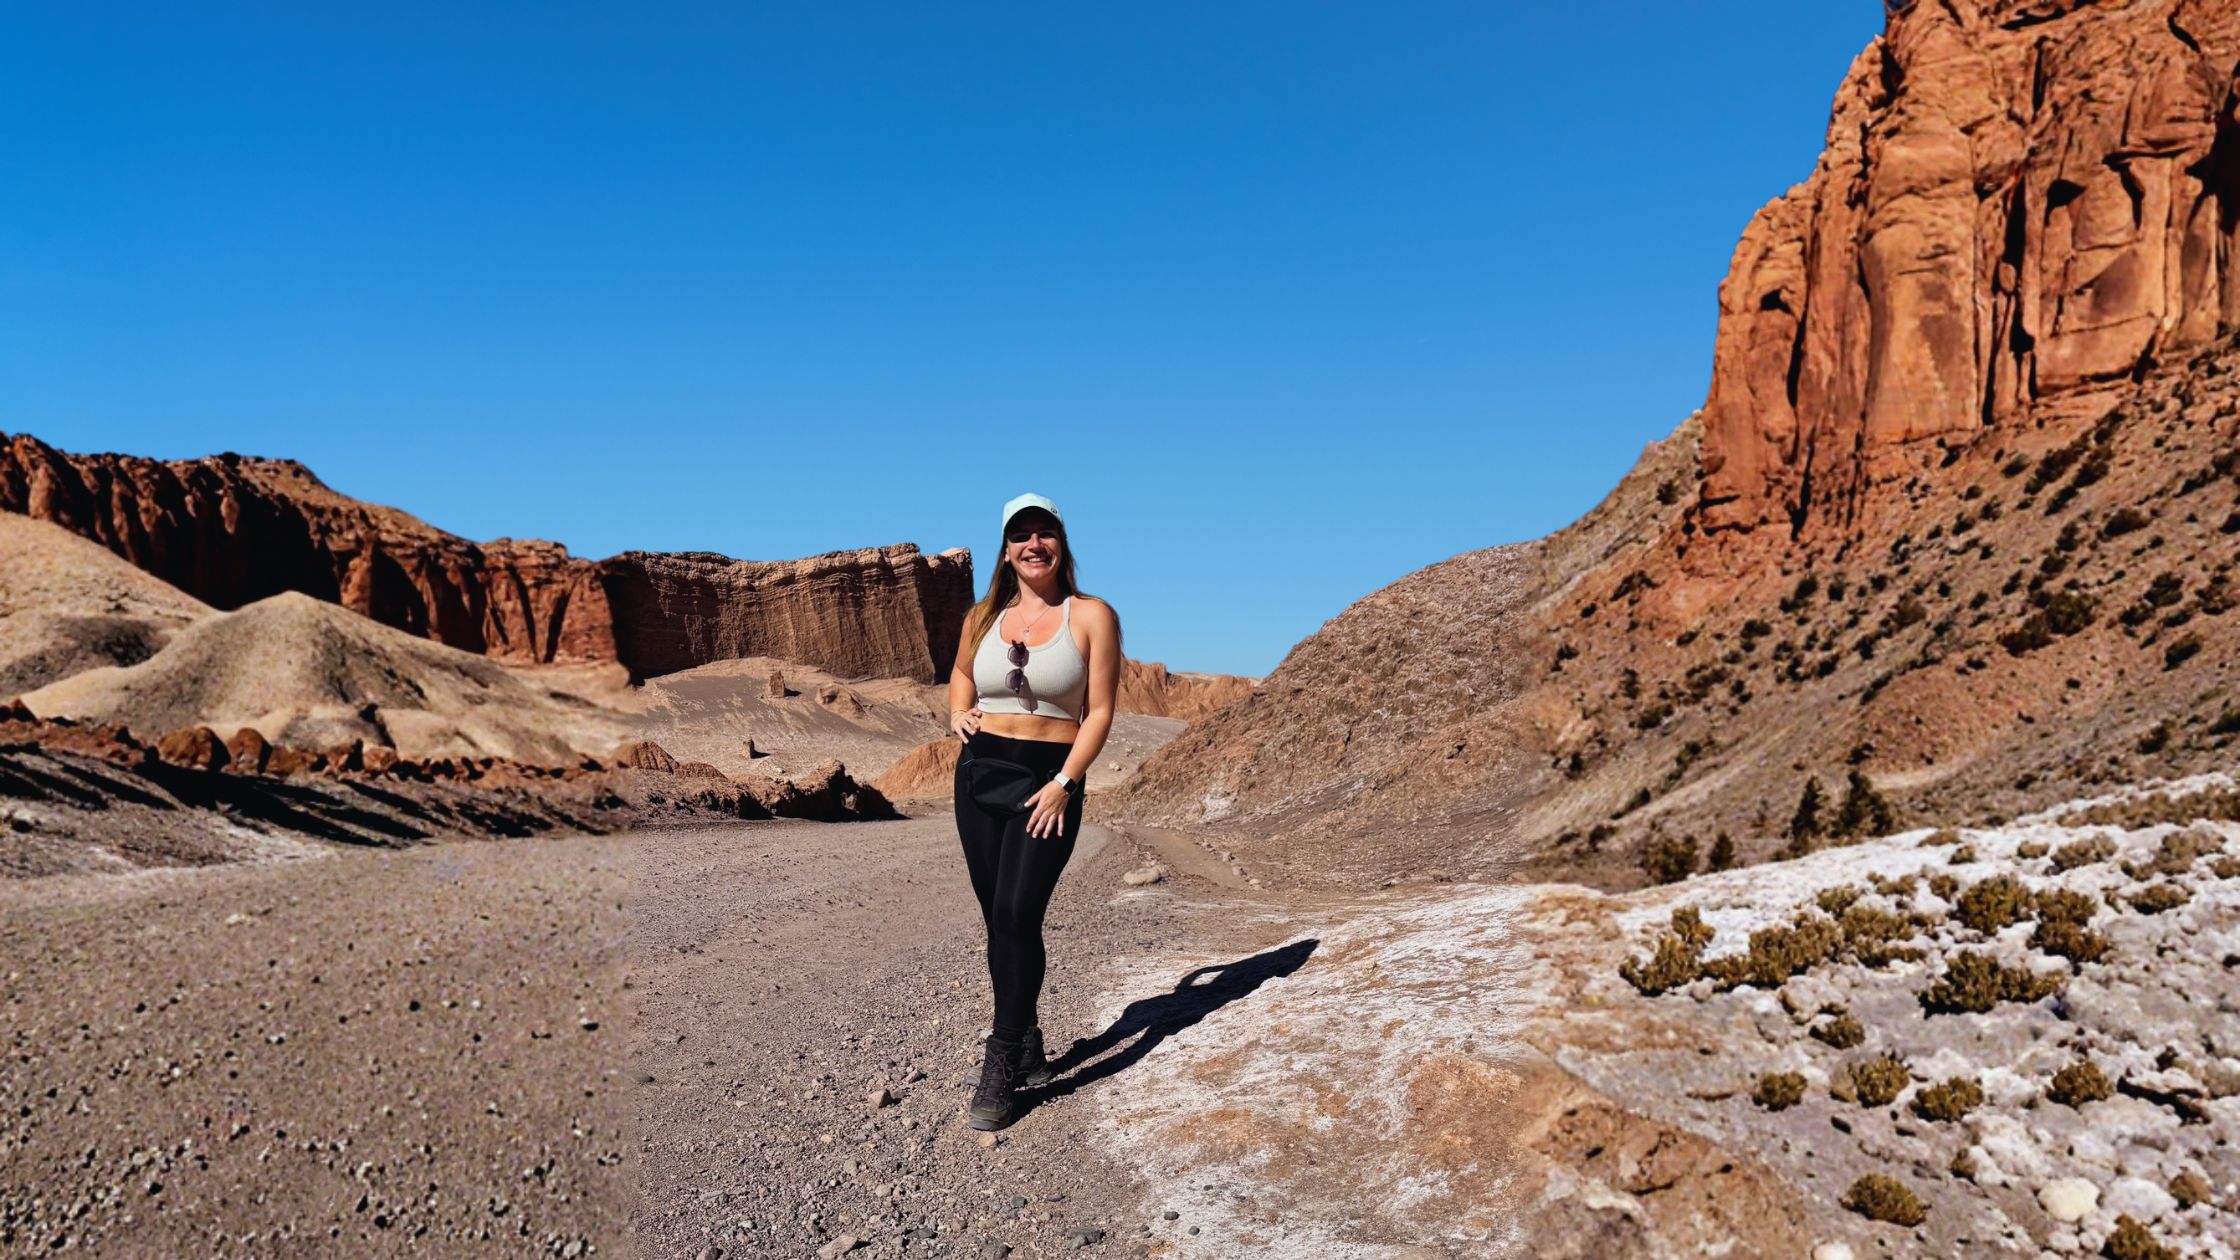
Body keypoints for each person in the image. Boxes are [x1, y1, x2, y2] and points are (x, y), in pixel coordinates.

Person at [949, 491, 1121, 1130]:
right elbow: (961, 678)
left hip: (1048, 779)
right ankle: (1028, 1040)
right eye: (1020, 535)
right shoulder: (983, 615)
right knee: (998, 918)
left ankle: (1002, 1057)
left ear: (1061, 542)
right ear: (1006, 549)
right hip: (978, 773)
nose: (1033, 545)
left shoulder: (1092, 615)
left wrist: (1065, 783)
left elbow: (1099, 710)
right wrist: (955, 713)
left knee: (1020, 913)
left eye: (1043, 533)